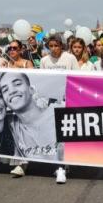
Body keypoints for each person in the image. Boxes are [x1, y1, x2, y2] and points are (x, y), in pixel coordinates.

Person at [40, 34, 77, 184]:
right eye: (51, 46)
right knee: (55, 136)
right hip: (51, 103)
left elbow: (77, 78)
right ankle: (59, 167)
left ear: (62, 46)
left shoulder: (70, 58)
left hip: (67, 101)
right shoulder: (44, 60)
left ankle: (64, 162)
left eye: (56, 46)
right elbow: (43, 81)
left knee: (65, 135)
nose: (54, 49)